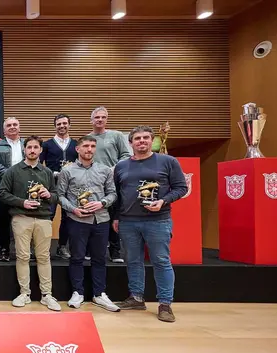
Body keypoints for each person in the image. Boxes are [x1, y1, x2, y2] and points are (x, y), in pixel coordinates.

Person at [113, 126, 188, 322]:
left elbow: (181, 188)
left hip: (158, 220)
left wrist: (163, 201)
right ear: (131, 143)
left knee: (161, 261)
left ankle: (165, 304)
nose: (142, 141)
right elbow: (118, 195)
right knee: (133, 260)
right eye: (137, 138)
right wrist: (116, 217)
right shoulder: (121, 166)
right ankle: (136, 298)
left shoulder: (168, 161)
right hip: (128, 221)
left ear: (152, 140)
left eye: (146, 137)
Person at [0, 136, 61, 311]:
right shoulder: (13, 171)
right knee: (23, 257)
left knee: (43, 257)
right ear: (24, 150)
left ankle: (46, 295)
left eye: (35, 147)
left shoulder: (47, 172)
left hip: (43, 219)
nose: (32, 150)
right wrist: (21, 202)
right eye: (29, 147)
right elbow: (2, 193)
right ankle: (24, 293)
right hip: (21, 217)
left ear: (41, 150)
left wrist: (49, 195)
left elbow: (56, 196)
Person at [57, 136, 119, 312]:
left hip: (101, 219)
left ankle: (99, 294)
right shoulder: (67, 171)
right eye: (85, 146)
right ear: (77, 149)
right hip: (77, 220)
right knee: (76, 257)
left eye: (92, 146)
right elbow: (60, 195)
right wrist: (73, 209)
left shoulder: (105, 170)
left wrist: (102, 203)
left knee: (99, 258)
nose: (89, 149)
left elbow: (113, 193)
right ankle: (78, 292)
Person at [88, 106, 131, 263]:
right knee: (93, 214)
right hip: (93, 181)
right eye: (97, 117)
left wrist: (114, 168)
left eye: (103, 117)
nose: (100, 120)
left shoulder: (116, 135)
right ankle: (91, 249)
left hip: (113, 179)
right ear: (91, 120)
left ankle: (115, 251)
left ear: (107, 119)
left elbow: (126, 155)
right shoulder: (87, 138)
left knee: (114, 215)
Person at [42, 114, 78, 260]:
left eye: (64, 123)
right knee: (48, 215)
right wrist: (53, 173)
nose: (62, 126)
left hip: (70, 185)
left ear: (69, 125)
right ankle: (43, 247)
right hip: (52, 184)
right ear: (55, 126)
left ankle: (62, 246)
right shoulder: (47, 144)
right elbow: (40, 165)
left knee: (67, 216)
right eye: (59, 124)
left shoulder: (76, 144)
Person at [0, 117, 25, 262]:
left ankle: (23, 250)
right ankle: (3, 250)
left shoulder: (26, 144)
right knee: (2, 221)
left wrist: (21, 178)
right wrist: (14, 177)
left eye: (15, 124)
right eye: (9, 125)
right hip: (3, 188)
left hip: (23, 189)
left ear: (19, 127)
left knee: (23, 221)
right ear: (4, 130)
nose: (12, 127)